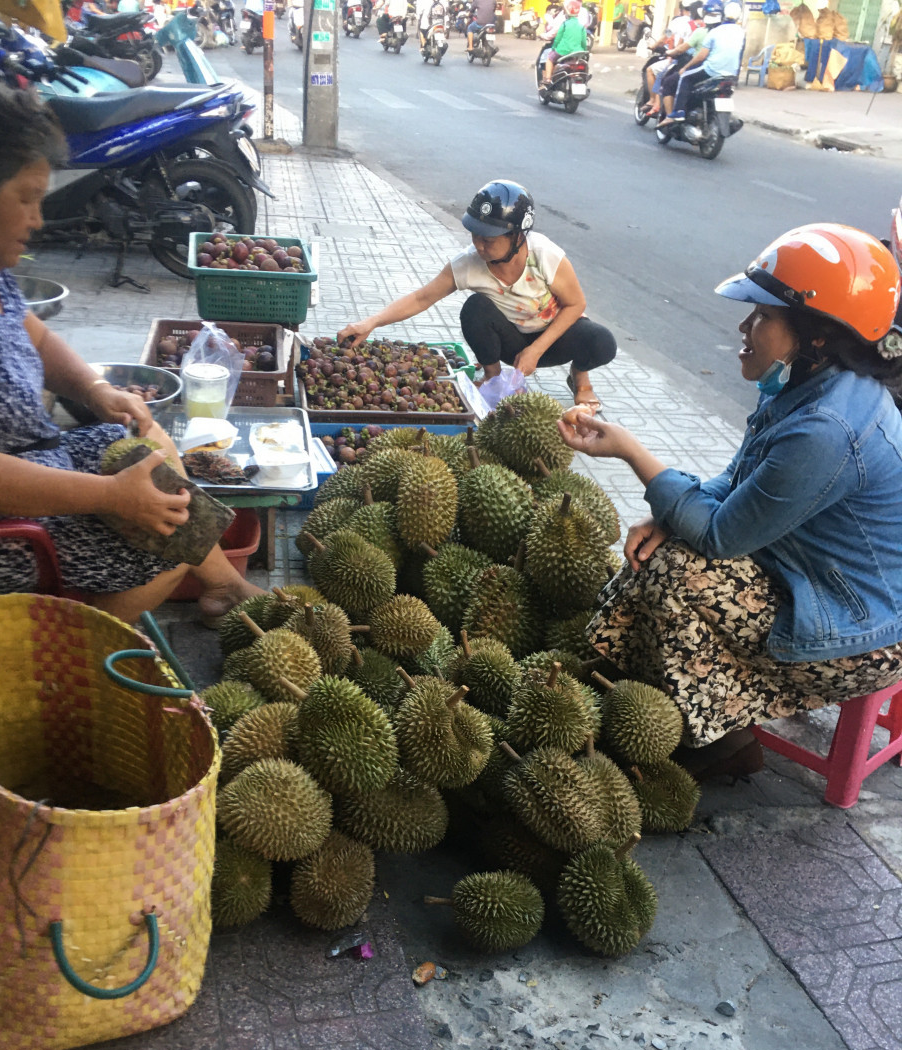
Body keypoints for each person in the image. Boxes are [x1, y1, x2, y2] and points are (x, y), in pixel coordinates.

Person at [0, 78, 256, 626]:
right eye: (26, 199)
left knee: (145, 452)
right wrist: (110, 497)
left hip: (34, 466)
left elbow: (35, 337)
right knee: (162, 537)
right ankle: (71, 652)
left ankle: (225, 587)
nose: (38, 220)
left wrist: (95, 390)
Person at [556, 224, 902, 779]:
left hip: (858, 633)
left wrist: (630, 453)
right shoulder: (807, 387)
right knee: (663, 548)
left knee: (680, 573)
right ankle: (617, 696)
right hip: (806, 577)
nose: (745, 327)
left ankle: (717, 742)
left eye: (763, 315)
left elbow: (720, 535)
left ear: (816, 336)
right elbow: (736, 481)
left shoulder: (829, 428)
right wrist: (665, 511)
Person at [337, 180, 616, 412]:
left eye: (489, 239)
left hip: (554, 337)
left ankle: (579, 374)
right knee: (475, 307)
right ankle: (493, 376)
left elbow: (576, 303)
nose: (479, 245)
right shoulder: (468, 264)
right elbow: (422, 298)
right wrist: (370, 323)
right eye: (475, 235)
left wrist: (537, 349)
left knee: (603, 343)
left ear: (518, 235)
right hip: (511, 342)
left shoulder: (544, 254)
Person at [660, 0, 744, 125]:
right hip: (731, 73)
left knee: (683, 77)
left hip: (709, 68)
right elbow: (740, 53)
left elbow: (699, 55)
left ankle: (677, 111)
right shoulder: (740, 32)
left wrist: (684, 65)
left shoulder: (710, 31)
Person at [541, 0, 588, 86]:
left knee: (550, 59)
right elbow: (584, 42)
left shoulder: (565, 24)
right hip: (577, 52)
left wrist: (554, 48)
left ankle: (547, 79)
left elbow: (557, 39)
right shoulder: (581, 26)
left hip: (563, 51)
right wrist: (584, 51)